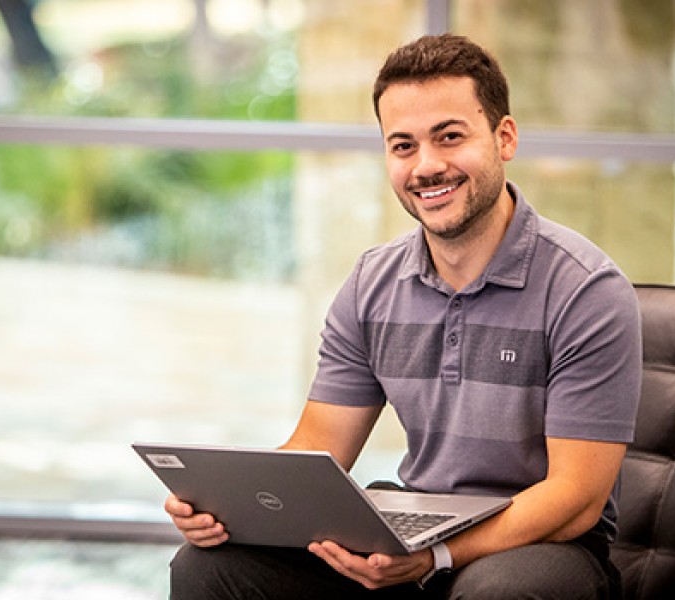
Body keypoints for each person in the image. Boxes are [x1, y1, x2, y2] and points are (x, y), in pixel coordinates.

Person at [166, 33, 641, 599]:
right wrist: (228, 504)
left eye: (450, 137)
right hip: (412, 531)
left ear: (504, 137)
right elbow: (317, 449)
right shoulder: (372, 284)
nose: (427, 166)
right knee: (207, 567)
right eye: (403, 145)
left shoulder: (586, 290)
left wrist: (435, 555)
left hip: (539, 549)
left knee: (502, 594)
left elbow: (576, 498)